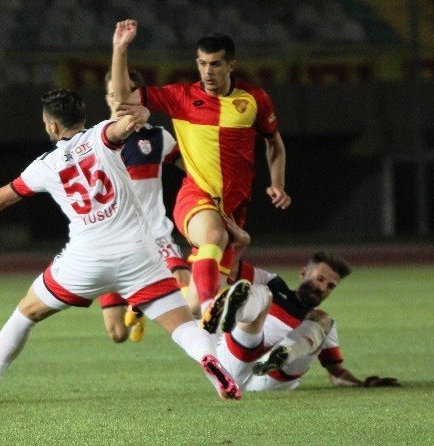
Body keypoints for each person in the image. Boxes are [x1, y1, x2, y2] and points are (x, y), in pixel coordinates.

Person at [0, 89, 241, 404]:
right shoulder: (102, 136)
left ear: (52, 127)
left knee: (24, 314)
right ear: (81, 116)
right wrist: (142, 109)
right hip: (137, 256)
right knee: (182, 325)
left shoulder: (45, 165)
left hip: (85, 261)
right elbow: (128, 123)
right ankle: (209, 360)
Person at [111, 19, 291, 320]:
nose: (208, 71)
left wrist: (278, 183)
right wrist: (120, 49)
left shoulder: (254, 100)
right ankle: (213, 306)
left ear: (231, 65)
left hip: (233, 209)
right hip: (196, 197)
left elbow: (274, 143)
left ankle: (156, 297)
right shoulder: (180, 97)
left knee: (194, 306)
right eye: (203, 63)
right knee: (213, 237)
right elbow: (123, 96)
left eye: (216, 64)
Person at [205, 247, 401, 391]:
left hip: (270, 381)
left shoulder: (323, 325)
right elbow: (229, 267)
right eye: (320, 279)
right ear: (303, 272)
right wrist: (239, 242)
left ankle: (282, 355)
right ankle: (234, 313)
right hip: (235, 360)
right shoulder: (275, 284)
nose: (322, 288)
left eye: (330, 286)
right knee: (262, 292)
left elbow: (336, 373)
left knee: (324, 320)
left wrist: (363, 384)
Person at [98, 68, 192, 344]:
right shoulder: (93, 141)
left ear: (139, 98)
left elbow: (191, 167)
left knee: (185, 283)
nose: (120, 99)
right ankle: (137, 302)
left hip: (154, 234)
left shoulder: (158, 138)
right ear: (107, 98)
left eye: (126, 93)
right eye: (114, 94)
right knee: (118, 333)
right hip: (110, 242)